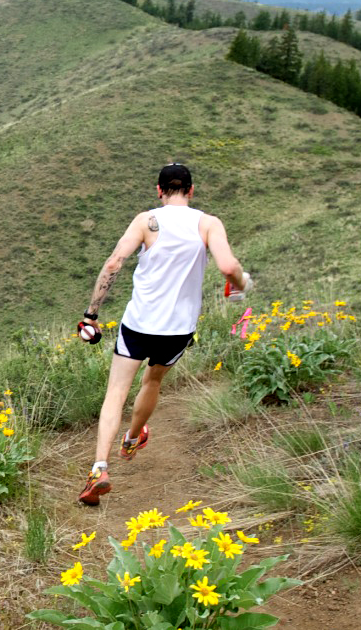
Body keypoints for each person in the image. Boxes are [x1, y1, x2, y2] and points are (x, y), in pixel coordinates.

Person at [76, 162, 246, 505]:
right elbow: (228, 268)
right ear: (192, 190)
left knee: (116, 393)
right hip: (178, 329)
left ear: (159, 191)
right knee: (152, 382)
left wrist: (91, 315)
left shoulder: (146, 221)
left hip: (139, 323)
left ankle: (99, 469)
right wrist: (241, 284)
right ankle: (133, 437)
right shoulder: (208, 224)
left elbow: (113, 263)